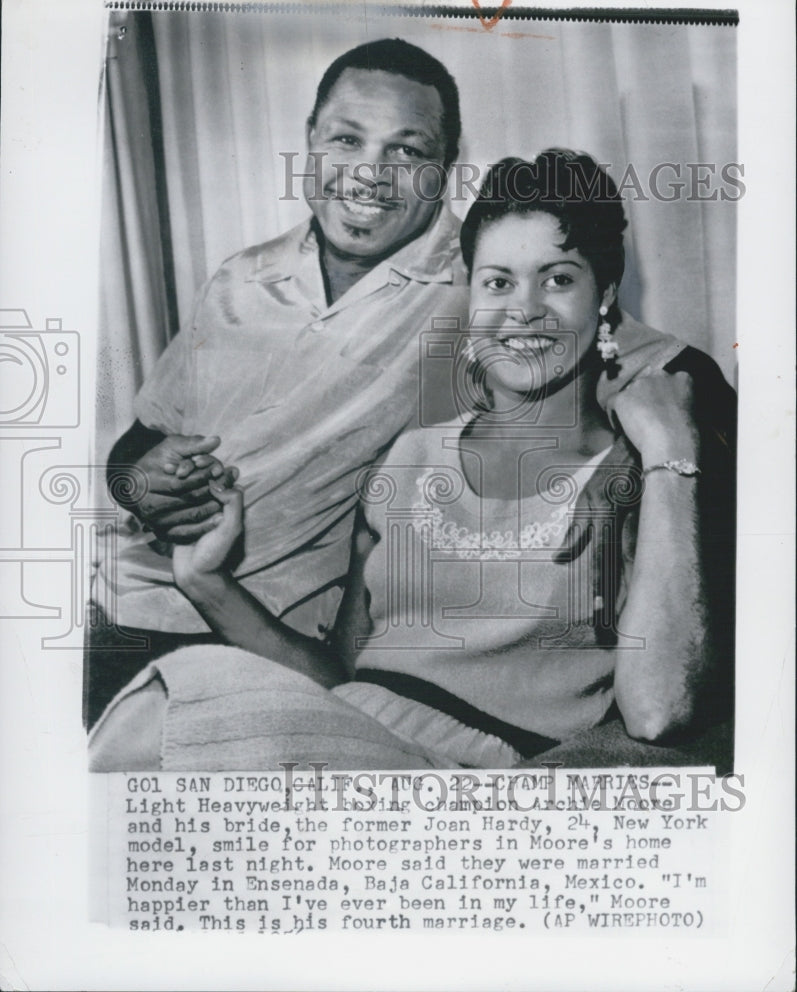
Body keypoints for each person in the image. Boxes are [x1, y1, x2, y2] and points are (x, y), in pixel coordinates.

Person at [89, 150, 735, 772]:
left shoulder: (642, 476)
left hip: (461, 779)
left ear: (603, 297)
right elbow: (343, 678)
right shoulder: (409, 457)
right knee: (171, 701)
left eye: (558, 278)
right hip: (347, 736)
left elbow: (658, 713)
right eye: (497, 282)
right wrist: (206, 580)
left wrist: (671, 453)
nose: (524, 309)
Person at [86, 38, 470, 727]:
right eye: (346, 140)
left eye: (406, 151)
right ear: (309, 143)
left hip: (258, 643)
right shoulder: (241, 275)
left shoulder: (481, 287)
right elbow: (137, 447)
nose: (368, 176)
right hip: (115, 604)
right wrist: (144, 483)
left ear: (444, 168)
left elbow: (625, 347)